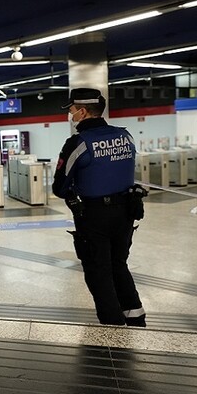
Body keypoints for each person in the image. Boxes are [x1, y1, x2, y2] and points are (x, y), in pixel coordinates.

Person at [52, 88, 146, 327]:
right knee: (119, 264)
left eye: (72, 110)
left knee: (98, 270)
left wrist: (73, 190)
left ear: (83, 112)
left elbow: (60, 187)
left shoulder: (78, 143)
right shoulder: (125, 136)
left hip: (94, 215)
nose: (71, 115)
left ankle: (112, 326)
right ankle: (135, 316)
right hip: (126, 212)